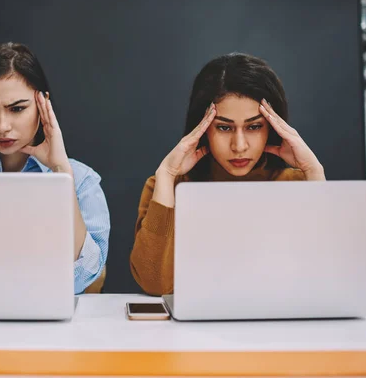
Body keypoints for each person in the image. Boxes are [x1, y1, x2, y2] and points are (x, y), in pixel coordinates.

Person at [130, 53, 325, 296]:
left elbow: (324, 275)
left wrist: (314, 172)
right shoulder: (167, 188)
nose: (239, 145)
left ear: (273, 128)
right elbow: (154, 283)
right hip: (194, 331)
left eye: (254, 126)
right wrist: (167, 176)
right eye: (224, 127)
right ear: (202, 129)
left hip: (280, 327)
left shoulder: (299, 184)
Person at [0, 42, 110, 294]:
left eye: (17, 108)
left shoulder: (81, 180)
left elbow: (83, 278)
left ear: (43, 104)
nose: (2, 126)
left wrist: (62, 172)